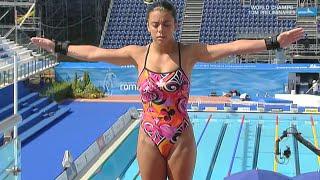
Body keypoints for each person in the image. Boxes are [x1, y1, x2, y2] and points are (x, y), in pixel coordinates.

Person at [31, 1, 304, 179]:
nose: (161, 29)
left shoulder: (189, 53)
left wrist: (272, 42)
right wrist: (58, 47)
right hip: (149, 135)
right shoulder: (137, 54)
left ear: (175, 25)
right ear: (148, 26)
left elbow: (232, 46)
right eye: (155, 24)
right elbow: (95, 53)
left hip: (181, 136)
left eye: (166, 24)